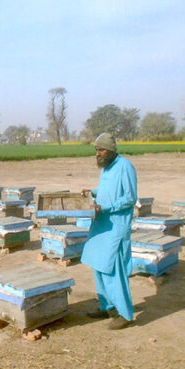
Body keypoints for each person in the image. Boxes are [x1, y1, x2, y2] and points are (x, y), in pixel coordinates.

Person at [81, 132, 137, 330]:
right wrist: (92, 192)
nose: (99, 154)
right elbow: (107, 189)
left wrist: (105, 207)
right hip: (102, 224)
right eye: (96, 150)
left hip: (116, 225)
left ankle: (125, 314)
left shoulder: (125, 167)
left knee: (114, 271)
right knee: (98, 265)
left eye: (102, 150)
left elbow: (129, 198)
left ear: (112, 150)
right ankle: (107, 306)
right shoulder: (105, 168)